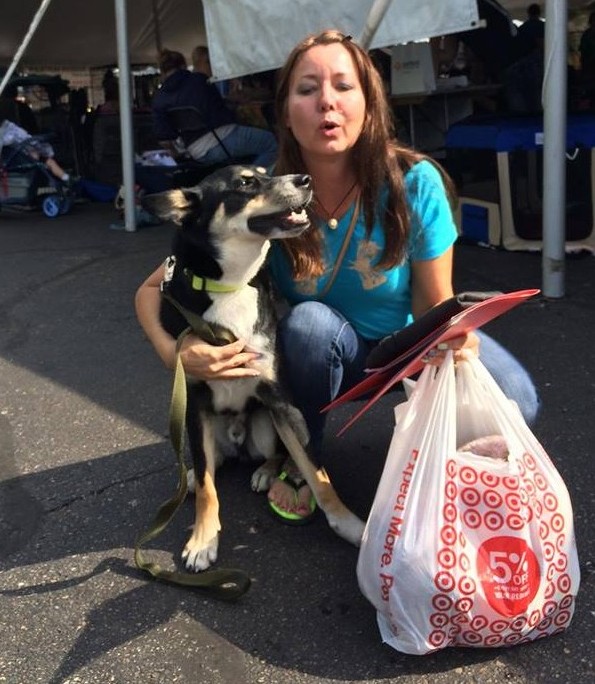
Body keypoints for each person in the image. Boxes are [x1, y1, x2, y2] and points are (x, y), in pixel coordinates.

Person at [136, 30, 539, 524]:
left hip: (407, 348)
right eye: (307, 89)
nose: (326, 100)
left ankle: (440, 463)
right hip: (327, 354)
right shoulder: (264, 200)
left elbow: (437, 304)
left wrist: (456, 341)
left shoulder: (414, 182)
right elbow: (152, 287)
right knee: (307, 326)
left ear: (369, 104)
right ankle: (307, 459)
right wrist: (174, 351)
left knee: (517, 398)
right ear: (285, 111)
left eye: (344, 87)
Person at [151, 48, 278, 167]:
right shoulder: (199, 80)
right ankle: (250, 182)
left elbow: (164, 138)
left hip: (196, 151)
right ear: (183, 65)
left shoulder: (159, 98)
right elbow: (221, 107)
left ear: (162, 71)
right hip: (223, 137)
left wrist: (178, 154)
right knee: (271, 142)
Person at [0, 117, 72, 184]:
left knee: (48, 162)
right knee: (48, 161)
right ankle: (67, 179)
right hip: (24, 159)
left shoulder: (7, 133)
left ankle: (67, 179)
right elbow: (28, 140)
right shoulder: (10, 132)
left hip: (19, 159)